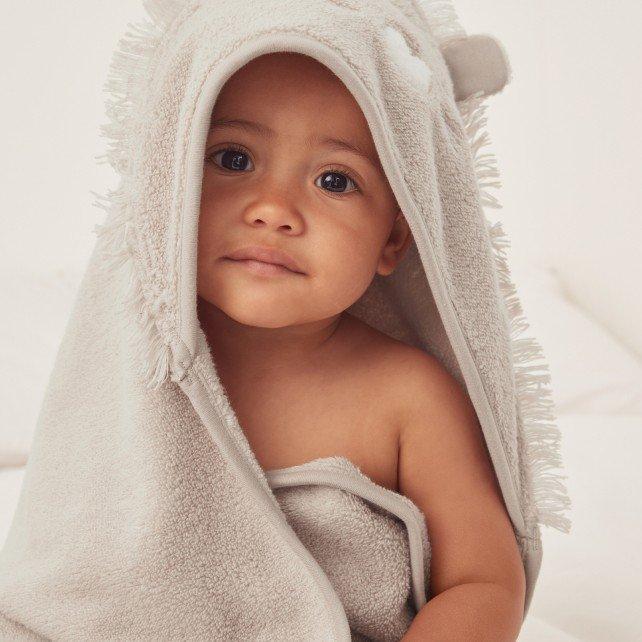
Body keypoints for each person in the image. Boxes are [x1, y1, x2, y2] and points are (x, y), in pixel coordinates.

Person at [196, 51, 525, 638]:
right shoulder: (129, 366)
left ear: (393, 237)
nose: (273, 210)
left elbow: (484, 583)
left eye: (335, 180)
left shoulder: (406, 395)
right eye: (233, 158)